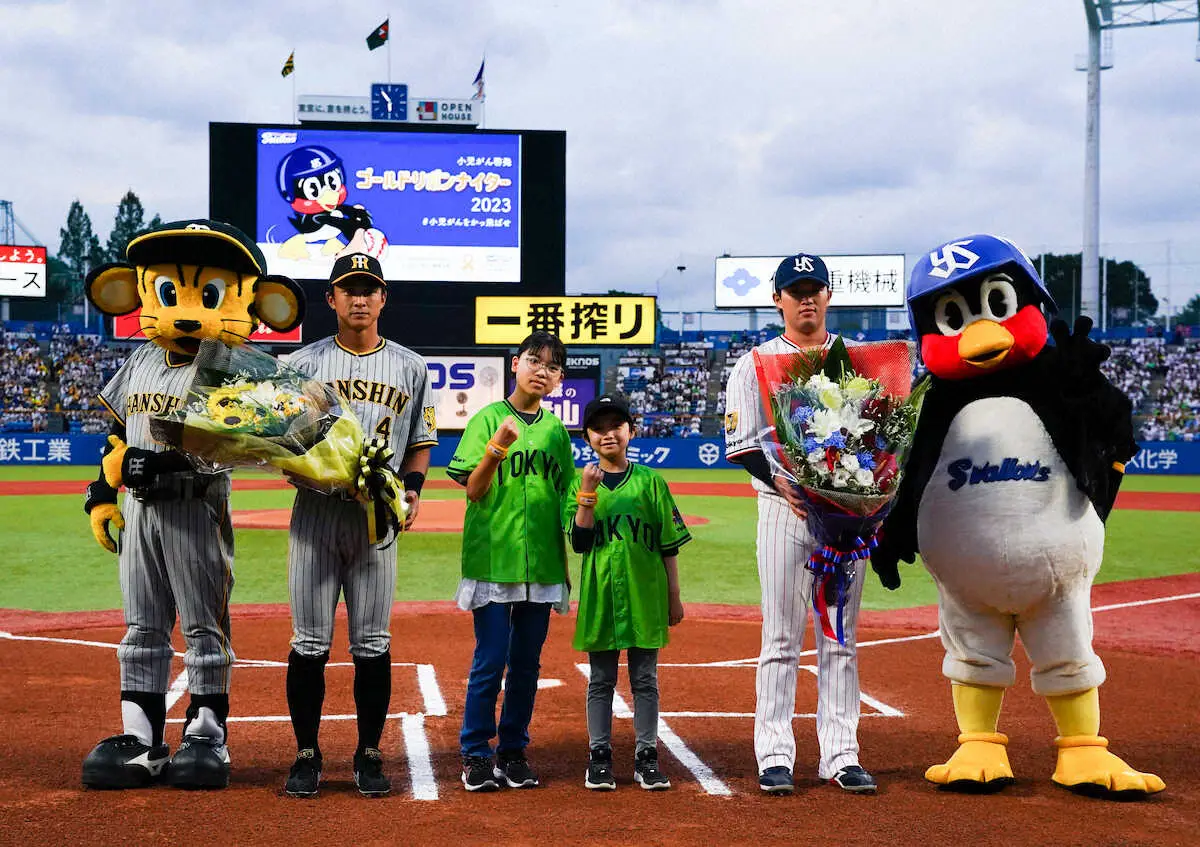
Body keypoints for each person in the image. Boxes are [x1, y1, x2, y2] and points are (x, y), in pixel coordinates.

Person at [282, 250, 437, 798]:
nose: (360, 297)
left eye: (369, 288)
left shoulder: (410, 366)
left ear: (383, 298)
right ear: (331, 299)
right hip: (315, 516)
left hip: (376, 522)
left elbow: (420, 442)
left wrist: (411, 491)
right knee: (309, 643)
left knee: (372, 642)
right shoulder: (299, 364)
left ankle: (369, 754)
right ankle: (306, 755)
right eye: (349, 289)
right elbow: (280, 441)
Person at [722, 253, 877, 795]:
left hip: (846, 516)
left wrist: (870, 495)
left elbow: (882, 437)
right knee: (782, 634)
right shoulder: (755, 362)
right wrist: (782, 481)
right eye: (796, 290)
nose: (806, 298)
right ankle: (774, 753)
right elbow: (741, 444)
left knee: (840, 638)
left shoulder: (858, 359)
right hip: (782, 509)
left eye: (815, 288)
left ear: (829, 296)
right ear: (778, 299)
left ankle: (841, 753)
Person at [447, 331, 576, 792]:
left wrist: (576, 527)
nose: (542, 371)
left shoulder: (555, 431)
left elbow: (565, 494)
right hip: (493, 557)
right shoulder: (486, 419)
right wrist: (497, 448)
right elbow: (473, 489)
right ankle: (476, 753)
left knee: (526, 664)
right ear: (516, 363)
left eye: (553, 366)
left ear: (559, 379)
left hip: (540, 564)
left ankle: (513, 750)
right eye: (535, 361)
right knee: (491, 658)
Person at [566, 394, 690, 791]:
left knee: (645, 679)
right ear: (587, 437)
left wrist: (674, 596)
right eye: (599, 428)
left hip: (645, 593)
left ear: (631, 431)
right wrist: (587, 491)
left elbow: (668, 544)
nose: (608, 434)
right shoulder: (579, 481)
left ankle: (646, 754)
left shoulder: (651, 481)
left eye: (616, 426)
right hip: (601, 592)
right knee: (600, 679)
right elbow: (580, 542)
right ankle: (599, 755)